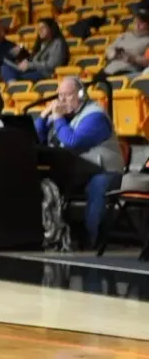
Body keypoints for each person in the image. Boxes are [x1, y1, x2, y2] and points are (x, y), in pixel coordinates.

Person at [35, 76, 124, 248]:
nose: (62, 100)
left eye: (67, 95)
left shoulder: (95, 115)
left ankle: (92, 241)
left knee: (96, 188)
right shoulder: (66, 116)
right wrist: (43, 117)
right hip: (78, 169)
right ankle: (52, 234)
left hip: (104, 169)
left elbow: (72, 141)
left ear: (81, 94)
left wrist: (58, 118)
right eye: (59, 96)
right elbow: (38, 138)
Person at [2, 18, 67, 82]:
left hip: (45, 73)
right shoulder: (42, 43)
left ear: (51, 28)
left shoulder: (58, 43)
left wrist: (30, 65)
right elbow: (34, 59)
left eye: (43, 28)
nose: (40, 30)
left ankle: (14, 85)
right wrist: (24, 58)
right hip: (33, 69)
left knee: (18, 78)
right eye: (39, 28)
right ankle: (13, 84)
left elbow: (52, 65)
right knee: (5, 67)